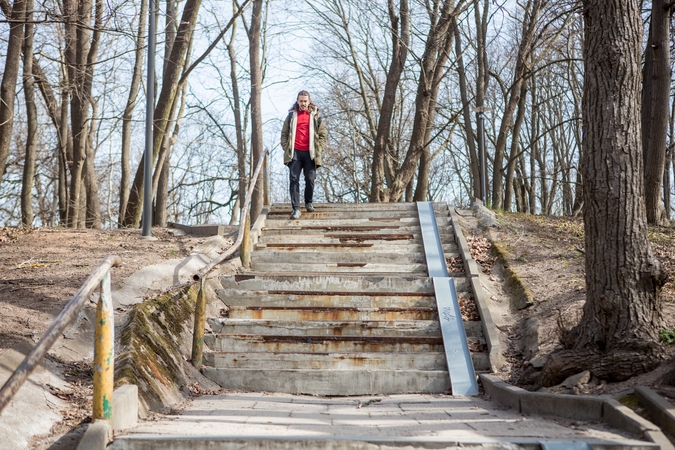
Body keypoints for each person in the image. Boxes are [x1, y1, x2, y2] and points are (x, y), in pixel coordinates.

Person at [280, 90, 327, 219]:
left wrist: (319, 148)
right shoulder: (291, 116)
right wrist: (287, 148)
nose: (303, 103)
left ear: (309, 101)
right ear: (297, 101)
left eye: (305, 101)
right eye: (301, 101)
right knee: (294, 180)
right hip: (295, 152)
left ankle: (308, 202)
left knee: (310, 179)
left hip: (310, 153)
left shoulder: (315, 116)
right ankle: (295, 208)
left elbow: (323, 135)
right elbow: (284, 134)